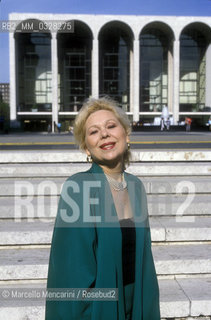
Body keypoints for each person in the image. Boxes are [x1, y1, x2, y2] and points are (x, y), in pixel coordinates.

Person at [45, 97, 160, 320]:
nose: (104, 134)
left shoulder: (136, 187)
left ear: (126, 135)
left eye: (110, 126)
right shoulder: (79, 188)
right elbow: (71, 277)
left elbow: (145, 264)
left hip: (136, 307)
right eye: (94, 132)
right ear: (86, 148)